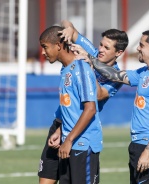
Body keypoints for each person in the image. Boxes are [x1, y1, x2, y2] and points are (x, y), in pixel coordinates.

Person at [73, 29, 149, 184]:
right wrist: (89, 59)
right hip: (137, 144)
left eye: (142, 45)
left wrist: (148, 152)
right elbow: (114, 75)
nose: (138, 48)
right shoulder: (144, 72)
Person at [38, 21, 129, 184]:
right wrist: (70, 29)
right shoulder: (88, 55)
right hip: (62, 126)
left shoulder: (114, 76)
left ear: (119, 52)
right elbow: (68, 27)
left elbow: (97, 97)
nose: (100, 49)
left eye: (107, 48)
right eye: (101, 44)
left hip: (81, 133)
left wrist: (90, 63)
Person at [39, 25, 103, 184]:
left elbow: (90, 108)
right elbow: (72, 109)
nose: (43, 52)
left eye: (45, 47)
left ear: (58, 46)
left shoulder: (81, 69)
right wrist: (61, 132)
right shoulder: (66, 70)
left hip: (83, 144)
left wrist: (68, 140)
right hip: (69, 142)